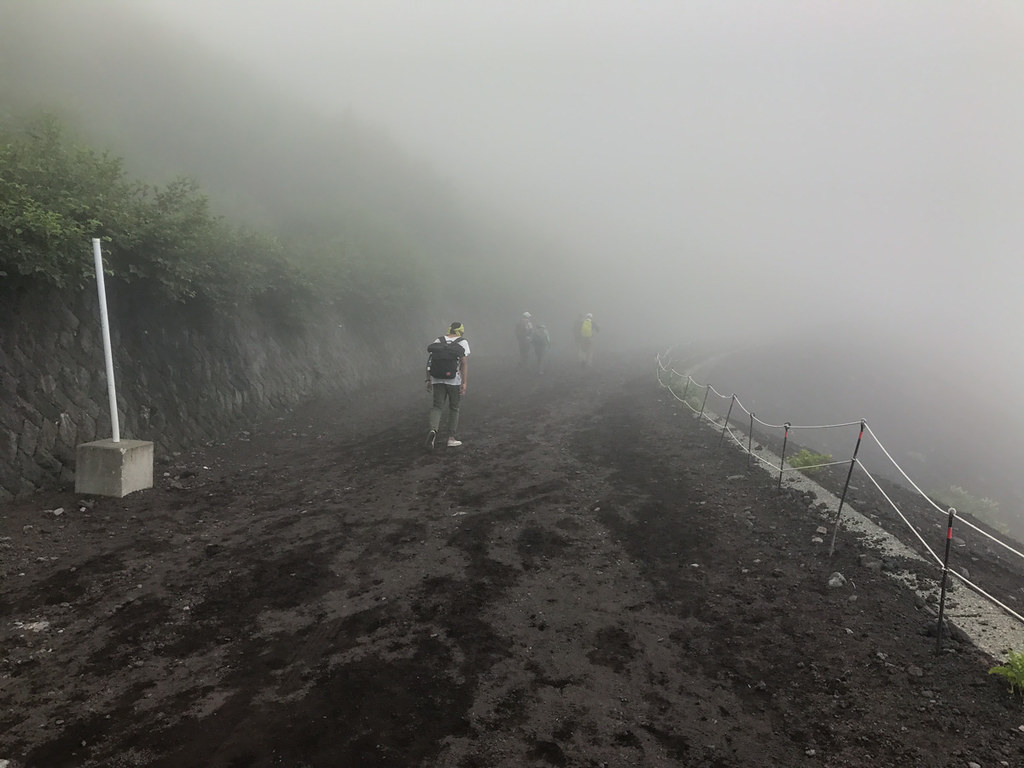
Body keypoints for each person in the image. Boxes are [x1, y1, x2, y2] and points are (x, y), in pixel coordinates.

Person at [425, 321, 470, 450]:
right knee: (454, 407)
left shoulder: (438, 341)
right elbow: (464, 363)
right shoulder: (463, 342)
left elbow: (430, 361)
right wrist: (464, 382)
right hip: (453, 380)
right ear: (461, 331)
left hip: (436, 378)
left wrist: (428, 380)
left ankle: (433, 430)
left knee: (437, 407)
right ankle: (451, 438)